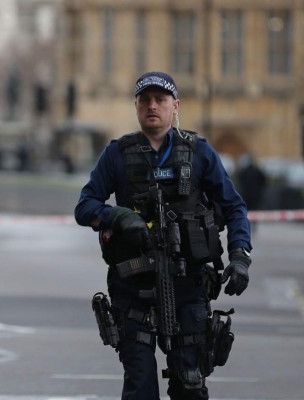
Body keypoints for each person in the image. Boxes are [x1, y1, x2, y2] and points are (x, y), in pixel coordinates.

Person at [75, 71, 252, 400]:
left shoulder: (199, 153)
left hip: (187, 291)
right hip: (133, 290)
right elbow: (85, 206)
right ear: (137, 107)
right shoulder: (117, 153)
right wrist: (118, 215)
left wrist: (240, 257)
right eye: (145, 100)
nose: (152, 106)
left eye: (160, 100)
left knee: (190, 386)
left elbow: (234, 207)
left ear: (175, 106)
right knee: (140, 388)